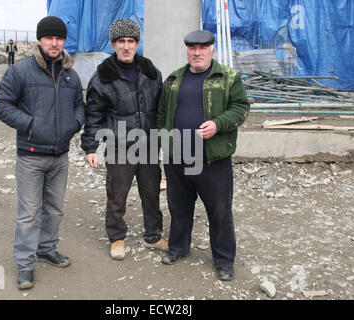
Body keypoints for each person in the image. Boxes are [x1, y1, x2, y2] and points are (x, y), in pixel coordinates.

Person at [0, 16, 85, 289]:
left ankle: (47, 248)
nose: (54, 43)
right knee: (29, 212)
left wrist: (75, 124)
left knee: (54, 209)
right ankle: (25, 264)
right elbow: (1, 104)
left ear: (64, 41)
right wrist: (29, 124)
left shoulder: (71, 74)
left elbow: (80, 104)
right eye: (49, 37)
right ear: (40, 40)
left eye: (59, 38)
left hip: (60, 155)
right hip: (31, 155)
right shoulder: (20, 71)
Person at [156, 30, 250, 281]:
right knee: (179, 207)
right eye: (192, 48)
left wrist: (218, 124)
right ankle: (178, 248)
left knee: (219, 211)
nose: (197, 53)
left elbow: (241, 107)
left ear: (212, 50)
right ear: (187, 50)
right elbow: (161, 114)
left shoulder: (227, 77)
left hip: (213, 160)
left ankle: (224, 260)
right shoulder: (174, 79)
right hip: (178, 158)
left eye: (202, 48)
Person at [80, 19, 168, 260]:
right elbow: (94, 114)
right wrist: (90, 147)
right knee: (117, 195)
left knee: (151, 194)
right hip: (120, 148)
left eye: (131, 41)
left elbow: (161, 110)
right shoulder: (102, 78)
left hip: (148, 146)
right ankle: (117, 237)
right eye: (121, 42)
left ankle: (153, 235)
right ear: (113, 44)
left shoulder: (152, 73)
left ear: (137, 44)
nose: (126, 46)